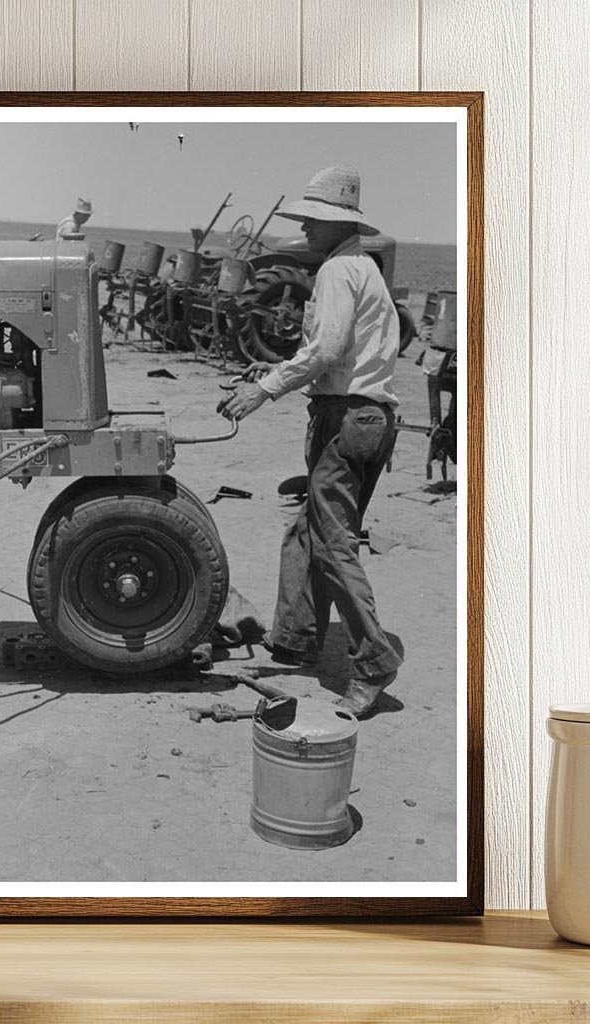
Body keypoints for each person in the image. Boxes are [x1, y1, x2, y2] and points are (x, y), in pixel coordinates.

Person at [218, 165, 403, 717]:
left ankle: (374, 660)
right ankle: (296, 641)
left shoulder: (338, 271)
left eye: (312, 222)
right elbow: (331, 355)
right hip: (360, 416)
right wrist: (267, 374)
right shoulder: (359, 267)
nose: (305, 230)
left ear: (335, 224)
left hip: (349, 419)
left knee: (331, 543)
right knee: (305, 532)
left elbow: (325, 352)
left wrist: (263, 393)